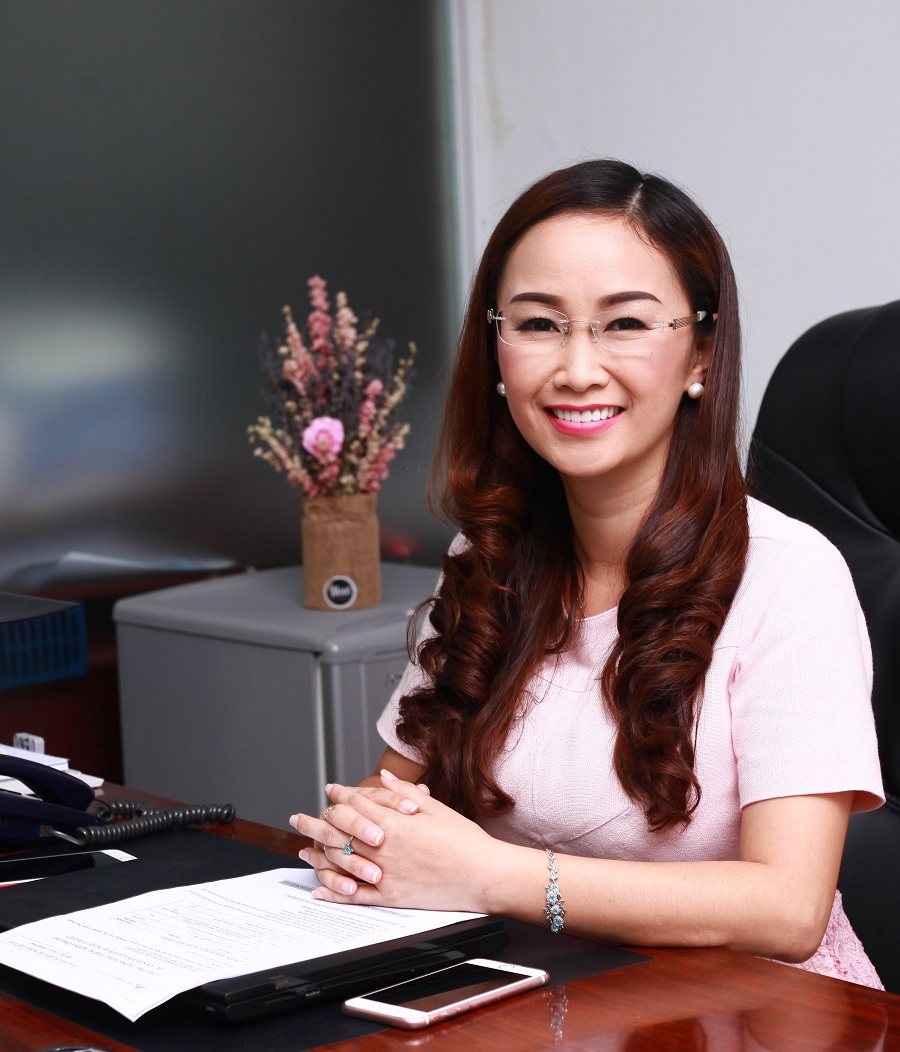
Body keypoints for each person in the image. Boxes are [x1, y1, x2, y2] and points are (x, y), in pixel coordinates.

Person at [289, 159, 885, 987]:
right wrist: (360, 843)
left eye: (624, 323)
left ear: (702, 354)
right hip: (545, 995)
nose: (575, 369)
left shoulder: (790, 576)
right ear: (497, 352)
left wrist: (491, 876)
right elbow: (389, 803)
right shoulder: (486, 554)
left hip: (758, 1014)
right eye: (538, 324)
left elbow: (788, 910)